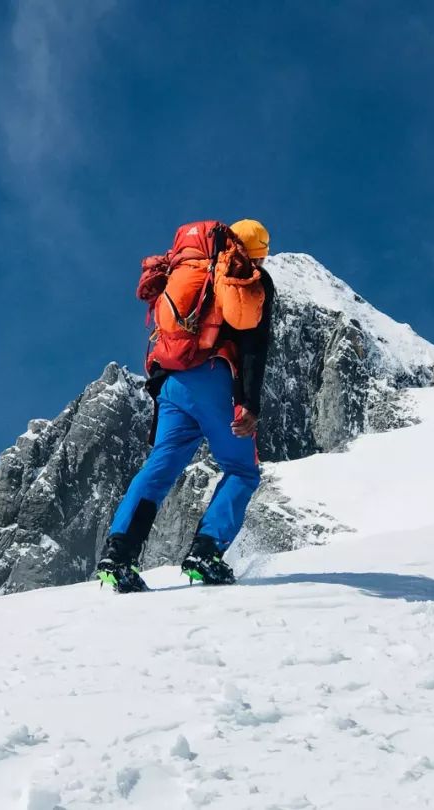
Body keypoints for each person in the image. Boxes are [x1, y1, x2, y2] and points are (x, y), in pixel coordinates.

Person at [96, 219, 276, 592]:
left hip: (171, 383)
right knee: (242, 471)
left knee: (160, 468)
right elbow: (253, 347)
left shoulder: (189, 269)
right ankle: (205, 552)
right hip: (214, 378)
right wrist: (248, 403)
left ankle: (119, 553)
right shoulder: (245, 277)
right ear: (257, 253)